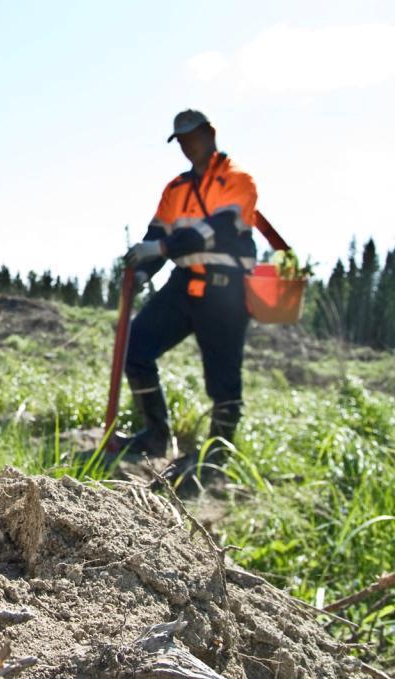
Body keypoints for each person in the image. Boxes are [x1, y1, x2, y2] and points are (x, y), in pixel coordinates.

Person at [119, 109, 258, 490]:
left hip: (226, 288)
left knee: (224, 381)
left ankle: (215, 461)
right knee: (137, 348)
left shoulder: (238, 180)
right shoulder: (175, 189)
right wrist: (141, 271)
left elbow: (220, 231)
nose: (186, 146)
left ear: (210, 133)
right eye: (180, 140)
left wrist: (158, 247)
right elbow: (156, 237)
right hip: (184, 285)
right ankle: (155, 436)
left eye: (192, 137)